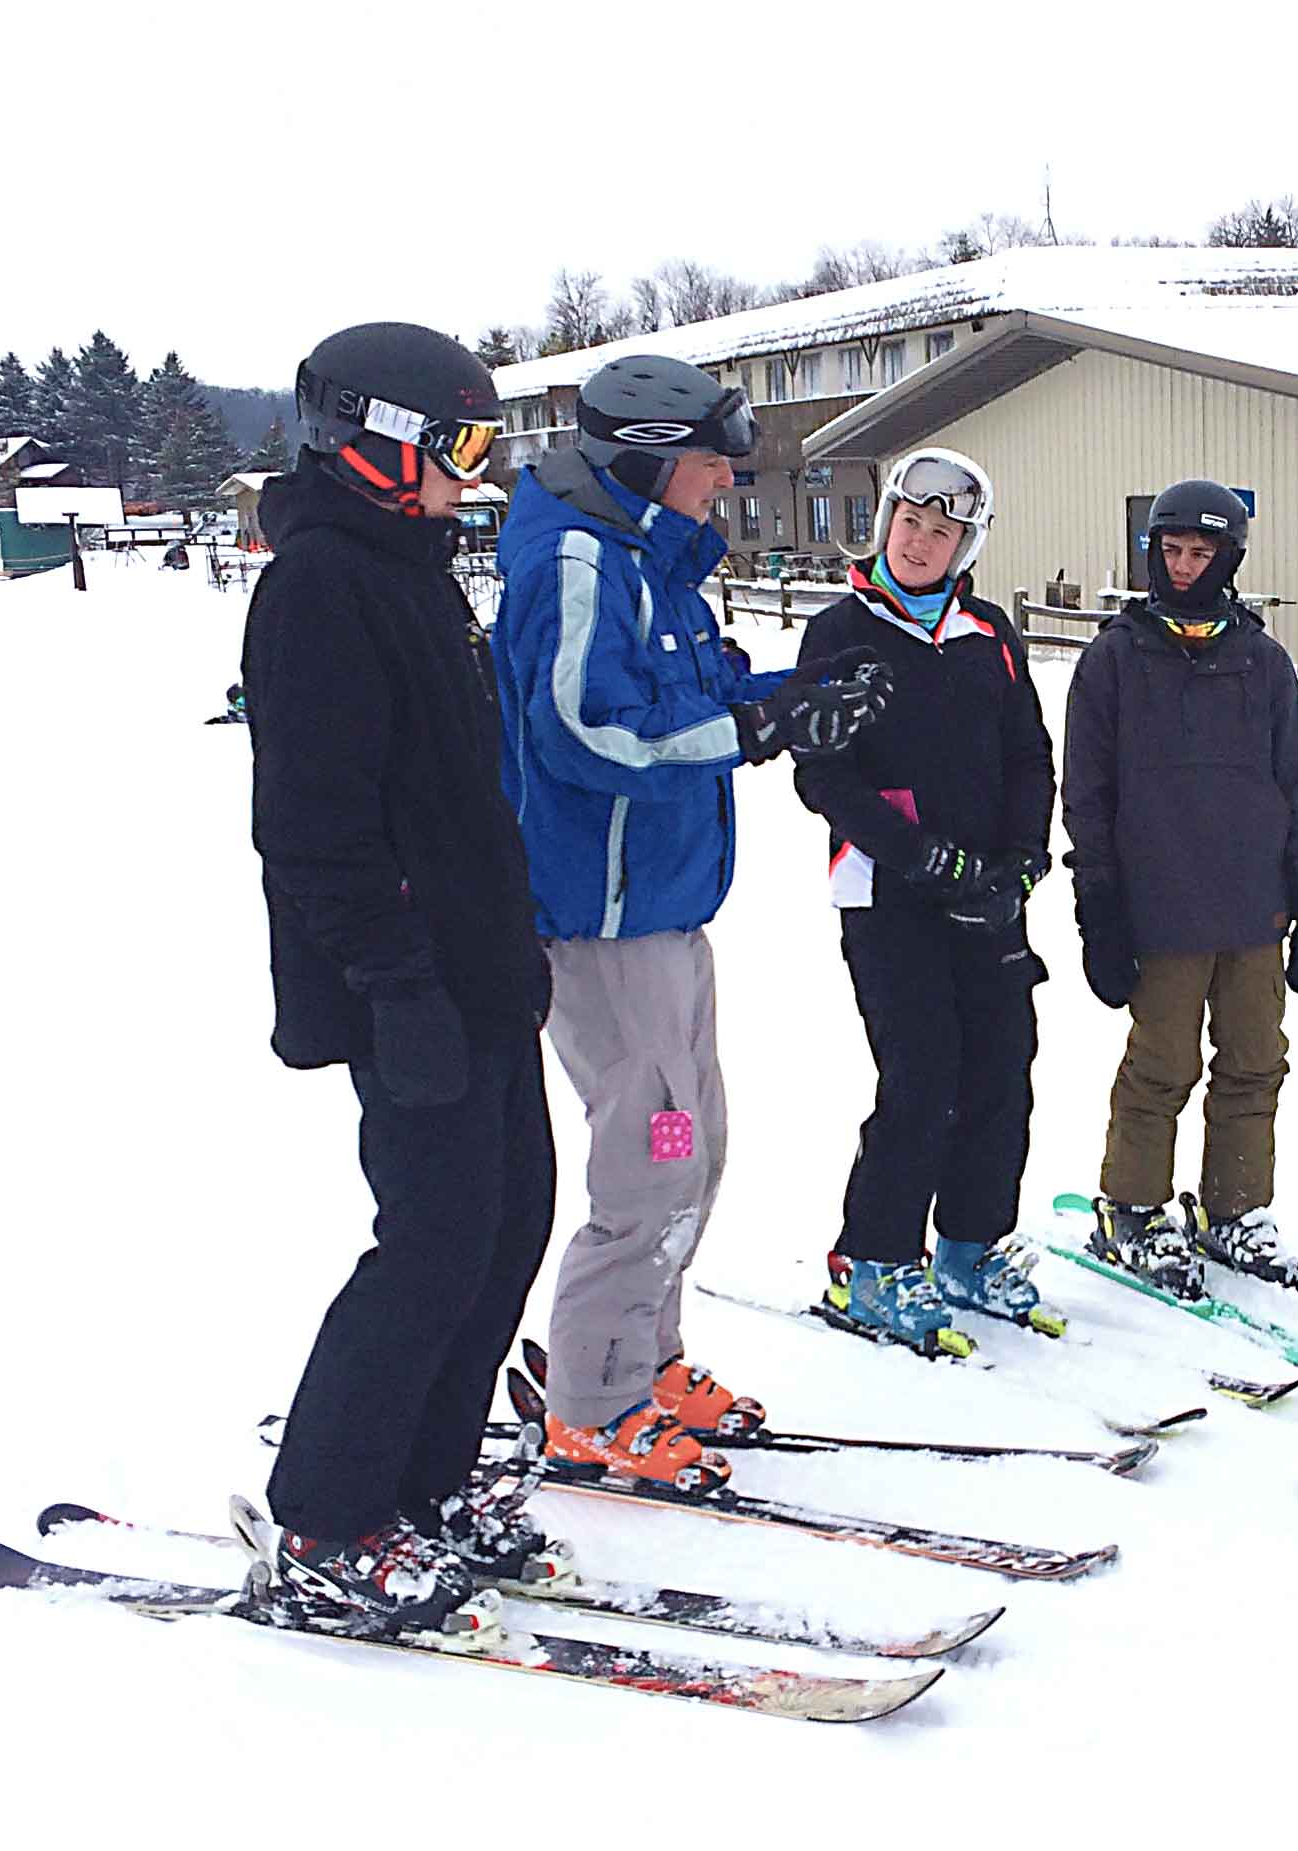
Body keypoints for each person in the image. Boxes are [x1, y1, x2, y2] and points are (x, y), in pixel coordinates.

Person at [493, 353, 888, 1487]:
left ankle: (645, 1360)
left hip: (664, 912)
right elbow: (585, 731)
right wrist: (752, 733)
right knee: (649, 1161)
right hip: (605, 925)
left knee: (693, 1146)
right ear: (648, 459)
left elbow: (689, 692)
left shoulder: (648, 560)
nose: (726, 481)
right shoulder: (577, 561)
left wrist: (786, 701)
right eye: (713, 462)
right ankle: (595, 1398)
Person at [245, 321, 564, 1637]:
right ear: (372, 441)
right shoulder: (321, 587)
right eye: (456, 444)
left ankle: (421, 1484)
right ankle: (326, 1519)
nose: (471, 473)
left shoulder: (415, 572)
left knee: (509, 1222)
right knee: (431, 1245)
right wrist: (393, 978)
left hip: (476, 969)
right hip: (406, 983)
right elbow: (313, 825)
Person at [790, 449, 1056, 1351]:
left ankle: (970, 1246)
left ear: (964, 546)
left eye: (941, 531)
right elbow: (823, 774)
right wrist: (919, 855)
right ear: (886, 524)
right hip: (888, 894)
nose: (919, 542)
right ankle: (874, 1258)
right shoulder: (841, 631)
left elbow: (1028, 754)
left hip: (986, 892)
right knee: (923, 1074)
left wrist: (1021, 860)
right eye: (910, 523)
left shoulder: (988, 634)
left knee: (1002, 1068)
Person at [1063, 480, 1298, 1298]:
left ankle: (1235, 1206)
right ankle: (1133, 1207)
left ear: (1229, 559)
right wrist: (1099, 902)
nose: (1184, 567)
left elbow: (1296, 782)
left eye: (1201, 553)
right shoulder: (1115, 659)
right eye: (1172, 551)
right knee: (1162, 1066)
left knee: (1255, 1061)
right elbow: (1087, 792)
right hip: (1161, 907)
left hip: (1254, 905)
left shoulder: (1262, 661)